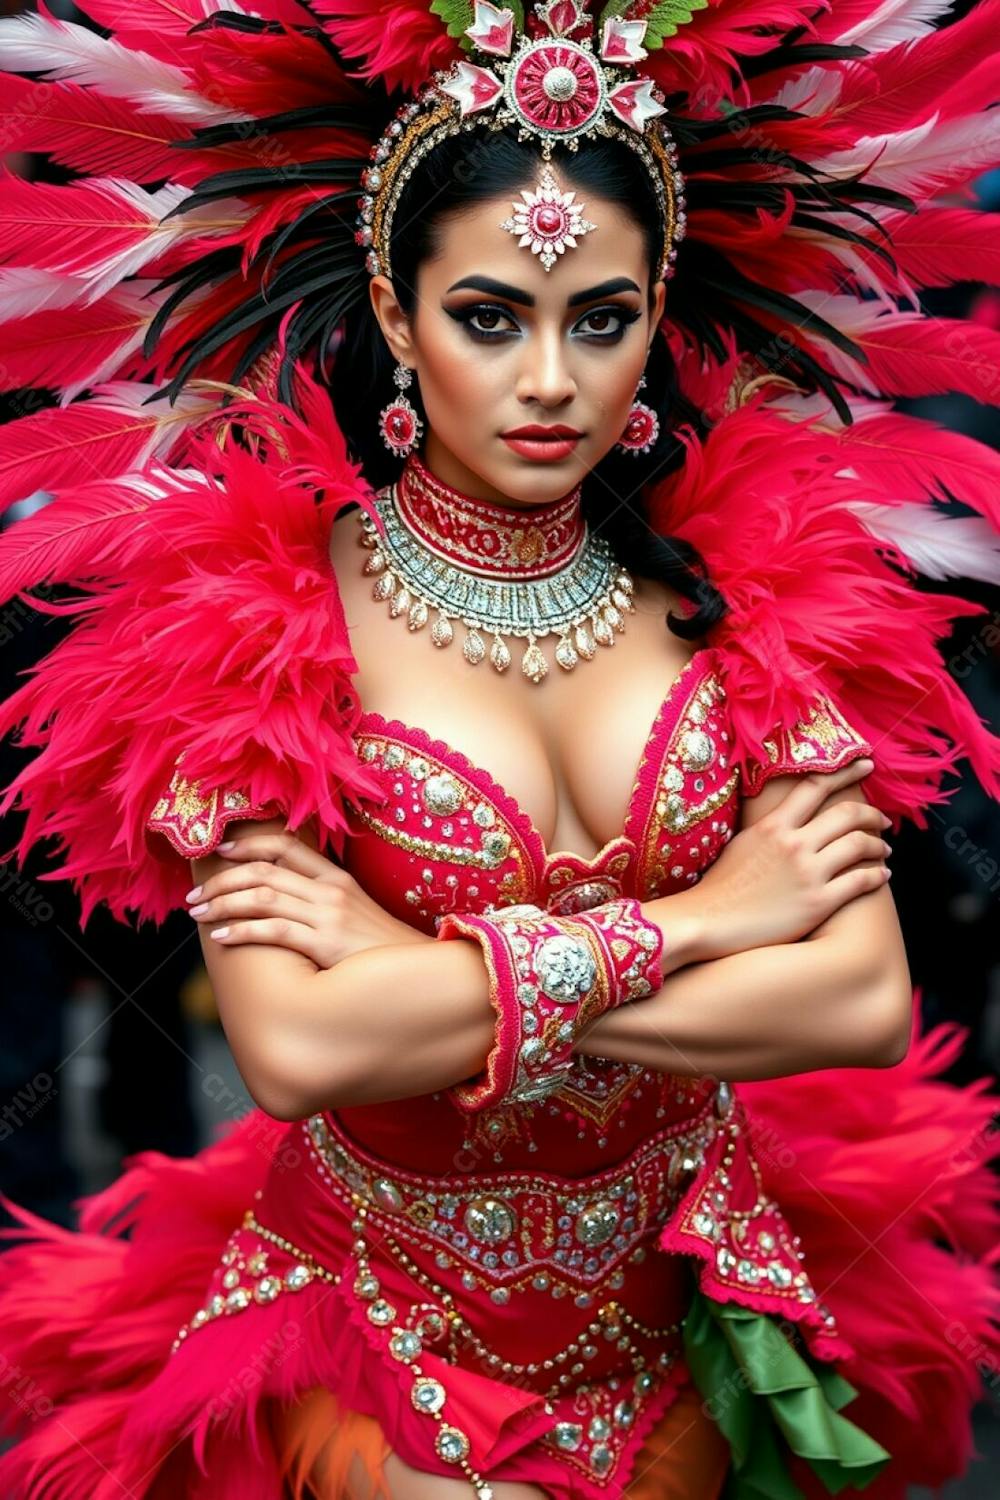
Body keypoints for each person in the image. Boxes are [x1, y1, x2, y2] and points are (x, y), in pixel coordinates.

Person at [0, 3, 998, 1497]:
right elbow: (296, 1049)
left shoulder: (758, 599)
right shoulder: (259, 626)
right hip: (379, 1340)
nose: (550, 381)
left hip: (690, 1312)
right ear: (400, 321)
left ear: (658, 311)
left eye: (599, 319)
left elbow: (856, 998)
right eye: (490, 317)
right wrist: (716, 926)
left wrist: (430, 986)